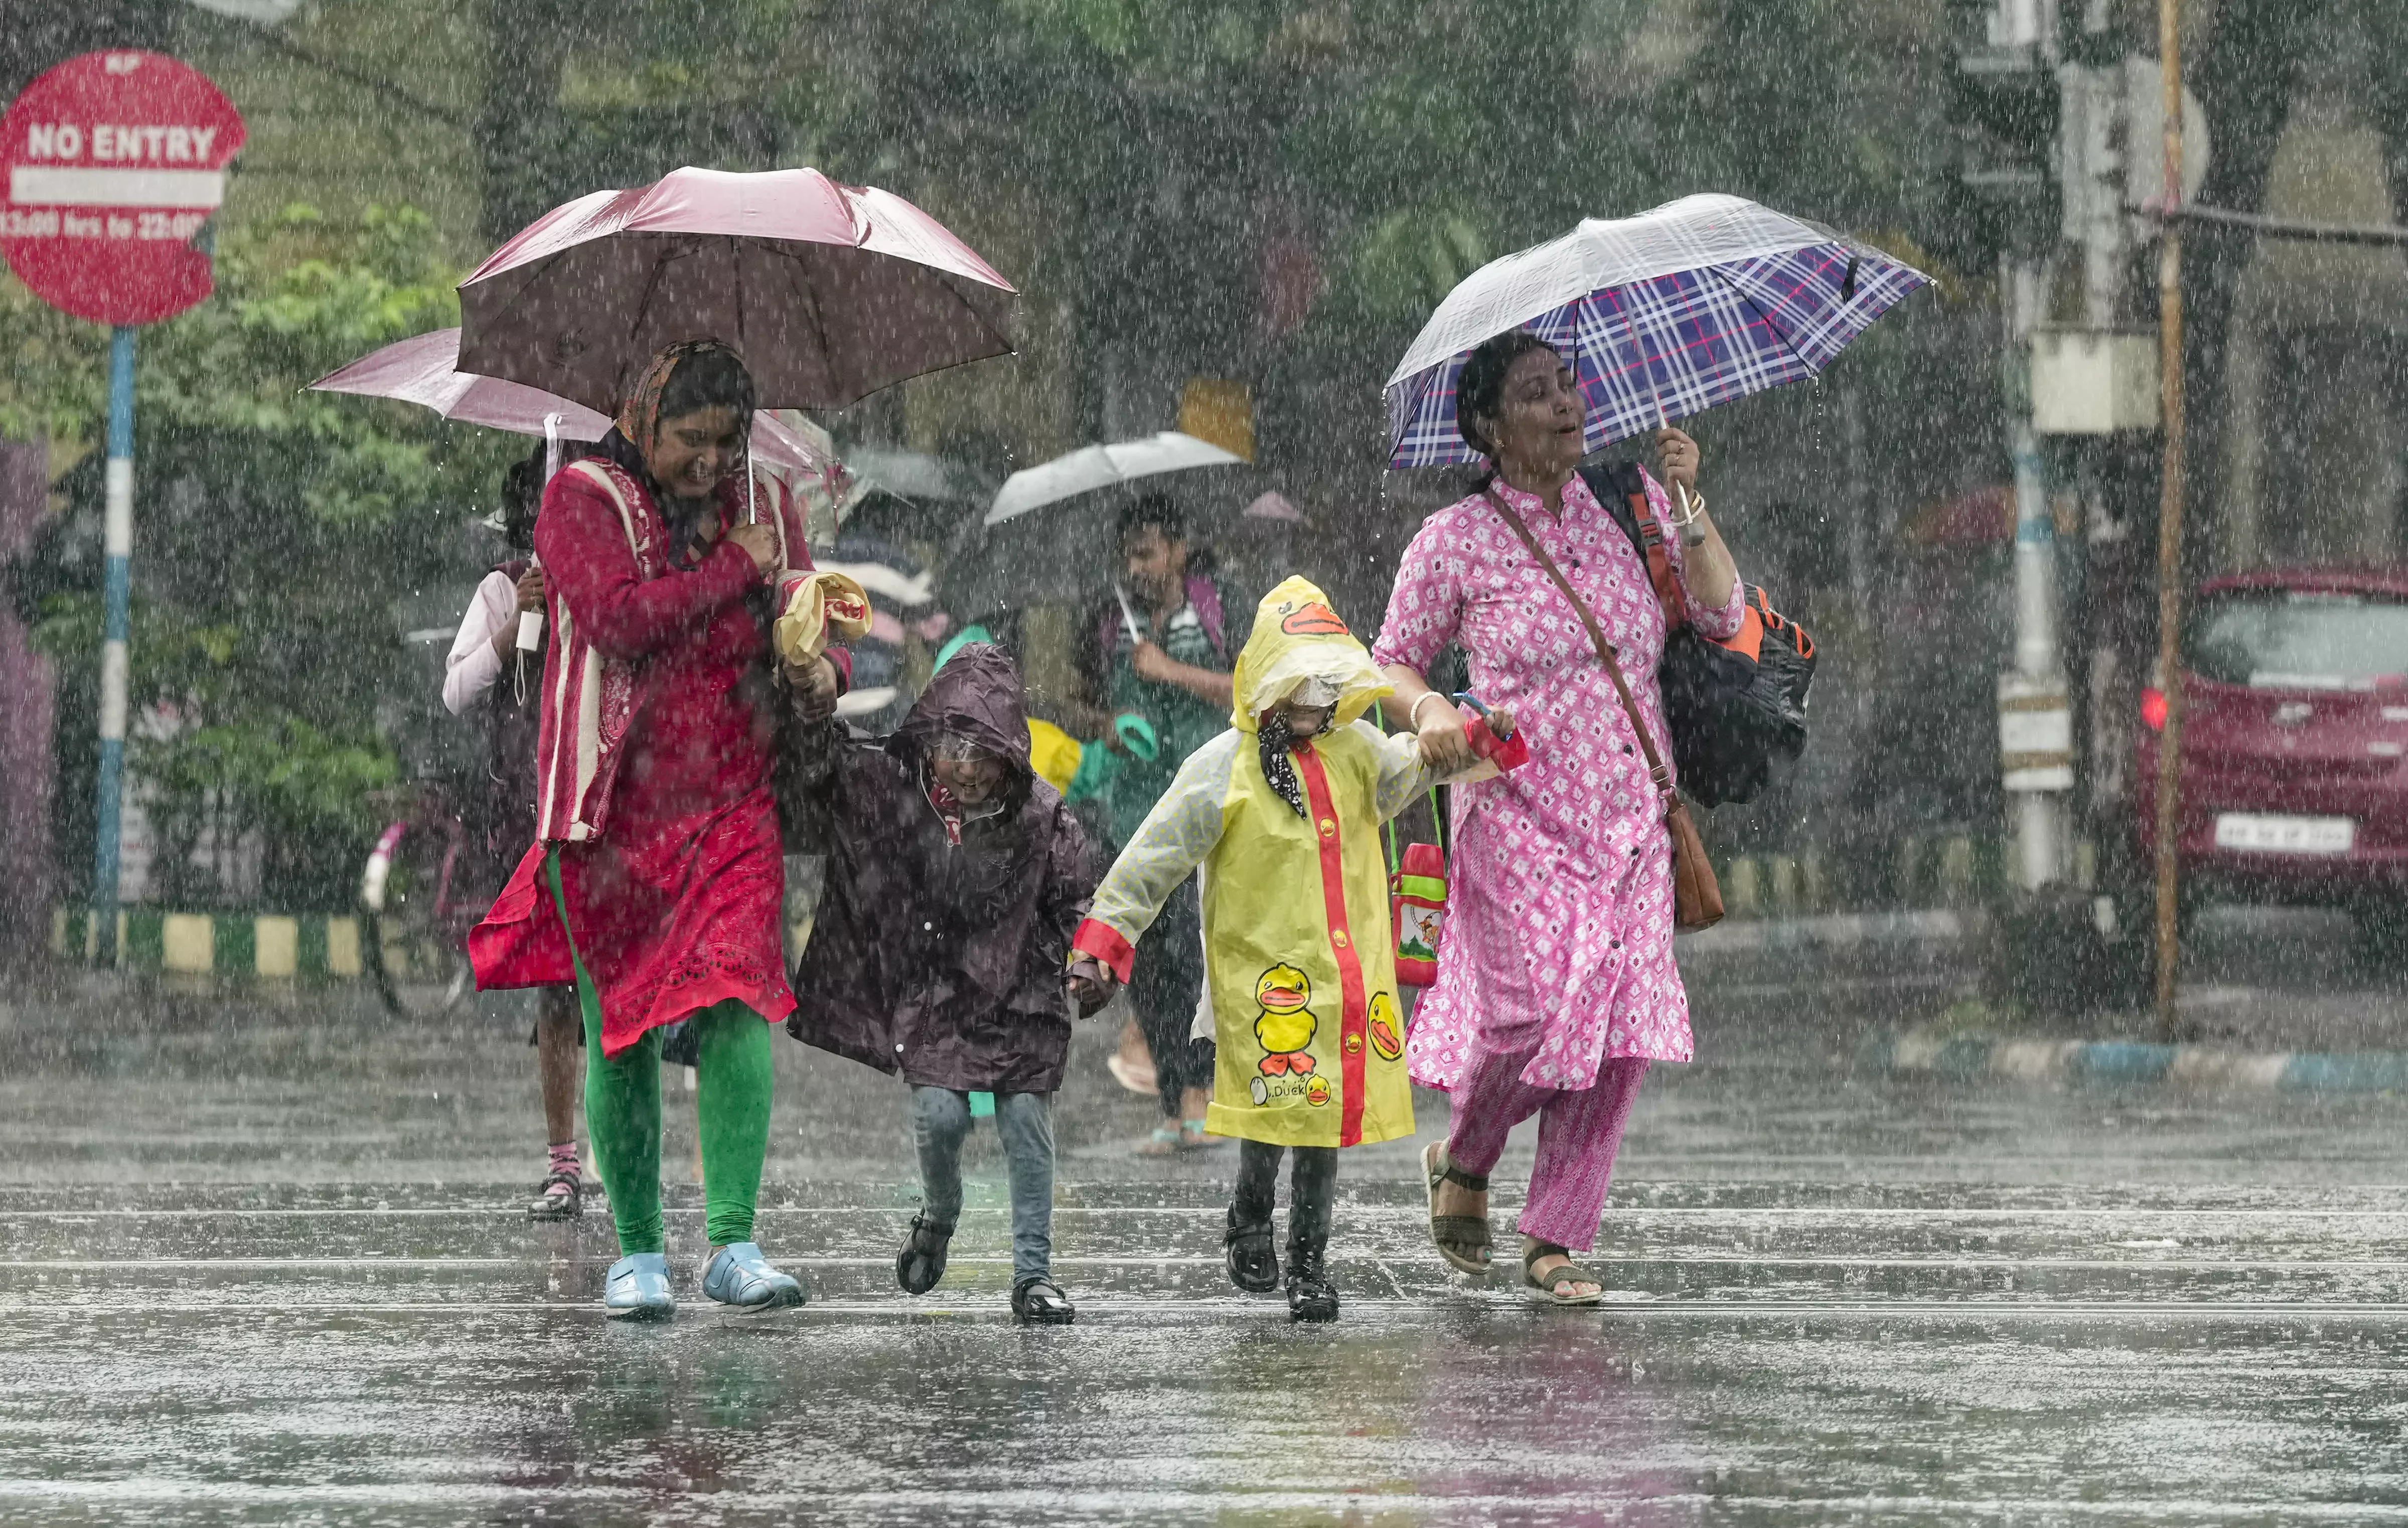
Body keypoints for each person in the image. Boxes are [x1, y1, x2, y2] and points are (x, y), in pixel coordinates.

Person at [468, 340, 845, 1320]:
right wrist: (732, 568)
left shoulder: (768, 507)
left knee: (739, 995)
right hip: (608, 809)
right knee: (621, 1025)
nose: (712, 462)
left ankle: (734, 1240)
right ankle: (638, 1252)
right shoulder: (580, 501)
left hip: (732, 798)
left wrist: (818, 667)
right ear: (641, 417)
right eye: (692, 439)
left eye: (730, 440)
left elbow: (807, 621)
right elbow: (621, 620)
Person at [1371, 329, 1742, 1305]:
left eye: (1567, 385)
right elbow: (1391, 659)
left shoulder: (1633, 507)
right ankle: (1468, 1154)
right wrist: (1431, 710)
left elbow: (1719, 611)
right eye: (1535, 394)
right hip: (1515, 812)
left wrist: (1690, 495)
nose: (1564, 404)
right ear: (1489, 426)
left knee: (1615, 1035)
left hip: (1631, 814)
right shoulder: (1451, 542)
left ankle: (1557, 1236)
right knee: (1528, 1015)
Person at [1068, 577, 1501, 1321]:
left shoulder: (1356, 749)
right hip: (1264, 985)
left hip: (1345, 981)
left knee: (1323, 1129)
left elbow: (1414, 767)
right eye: (1307, 685)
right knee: (1272, 1115)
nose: (1322, 701)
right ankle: (1248, 1216)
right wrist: (1104, 944)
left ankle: (1308, 1260)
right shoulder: (1223, 765)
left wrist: (1471, 740)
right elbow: (1154, 855)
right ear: (1269, 680)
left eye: (1333, 684)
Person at [782, 642, 1100, 1324]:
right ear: (930, 742)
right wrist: (812, 703)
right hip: (939, 994)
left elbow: (1079, 900)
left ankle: (1033, 1273)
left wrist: (1088, 957)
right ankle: (940, 1212)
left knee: (1024, 1123)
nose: (969, 769)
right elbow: (823, 770)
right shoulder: (895, 788)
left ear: (1012, 752)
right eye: (956, 749)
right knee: (939, 1115)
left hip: (1023, 990)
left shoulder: (1043, 816)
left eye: (987, 753)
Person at [441, 449, 587, 1221]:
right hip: (532, 812)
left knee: (612, 985)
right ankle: (565, 1160)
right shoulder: (503, 588)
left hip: (604, 805)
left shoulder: (609, 585)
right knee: (558, 990)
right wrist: (514, 627)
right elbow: (457, 690)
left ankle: (626, 1154)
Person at [1075, 495, 1244, 1154]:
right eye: (1130, 555)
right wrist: (1107, 727)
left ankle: (1203, 1093)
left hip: (1207, 800)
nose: (1137, 566)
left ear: (1178, 549)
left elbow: (1251, 688)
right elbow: (1084, 702)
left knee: (1195, 953)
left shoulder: (1222, 606)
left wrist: (1171, 669)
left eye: (1148, 552)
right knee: (1144, 961)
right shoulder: (1107, 621)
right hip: (1135, 812)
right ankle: (1175, 1102)